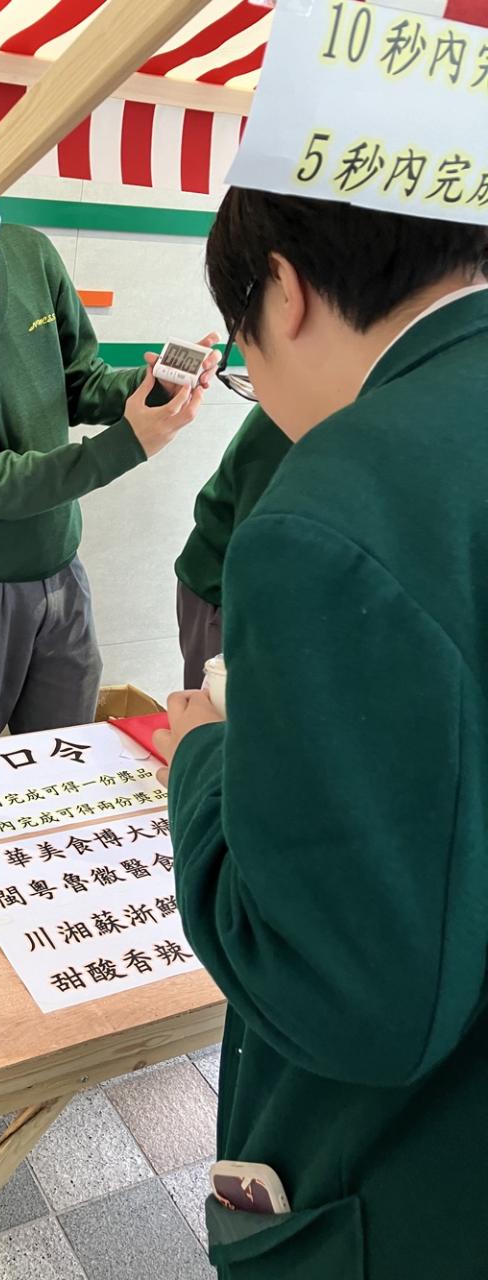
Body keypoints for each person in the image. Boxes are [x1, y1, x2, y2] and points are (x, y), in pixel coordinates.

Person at [156, 187, 488, 1278]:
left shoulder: (332, 509)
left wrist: (204, 758)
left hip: (418, 1186)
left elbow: (345, 994)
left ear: (284, 290)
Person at [0, 156, 218, 745]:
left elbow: (79, 382)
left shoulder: (30, 253)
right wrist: (128, 445)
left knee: (66, 750)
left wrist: (153, 387)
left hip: (62, 563)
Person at [175, 405, 290, 687]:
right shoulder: (285, 427)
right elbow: (260, 550)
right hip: (227, 590)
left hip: (263, 583)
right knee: (225, 707)